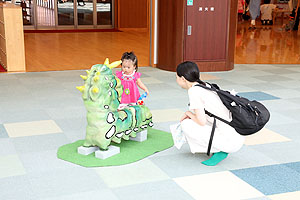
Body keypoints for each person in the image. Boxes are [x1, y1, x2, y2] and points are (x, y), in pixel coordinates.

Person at [175, 61, 244, 166]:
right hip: (236, 133)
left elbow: (201, 121)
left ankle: (220, 149)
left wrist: (188, 113)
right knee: (192, 120)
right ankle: (218, 147)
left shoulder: (194, 92)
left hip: (230, 140)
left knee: (186, 124)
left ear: (183, 79)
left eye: (176, 77)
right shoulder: (205, 85)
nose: (176, 80)